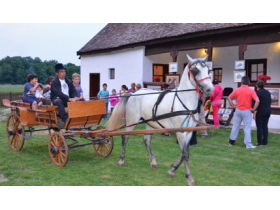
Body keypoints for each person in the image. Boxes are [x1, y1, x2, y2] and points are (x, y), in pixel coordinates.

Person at [227, 76, 260, 149]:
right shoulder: (251, 91)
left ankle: (231, 141)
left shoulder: (237, 90)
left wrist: (233, 105)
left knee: (235, 126)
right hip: (247, 110)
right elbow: (257, 101)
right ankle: (248, 144)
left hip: (238, 110)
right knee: (247, 128)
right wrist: (254, 109)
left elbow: (229, 97)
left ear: (241, 82)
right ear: (249, 83)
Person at [253, 80, 271, 146]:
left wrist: (254, 112)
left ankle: (259, 142)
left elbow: (256, 103)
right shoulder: (268, 92)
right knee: (265, 126)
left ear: (257, 86)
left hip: (260, 111)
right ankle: (265, 142)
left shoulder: (257, 93)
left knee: (259, 127)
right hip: (268, 111)